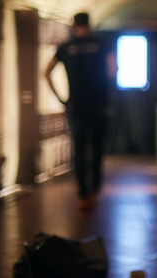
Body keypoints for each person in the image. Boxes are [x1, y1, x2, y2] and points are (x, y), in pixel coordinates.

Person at [44, 12, 116, 210]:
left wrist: (61, 99)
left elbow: (46, 72)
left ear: (73, 25)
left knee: (79, 148)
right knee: (97, 147)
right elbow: (113, 69)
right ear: (89, 25)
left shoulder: (66, 47)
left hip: (76, 106)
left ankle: (83, 193)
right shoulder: (102, 43)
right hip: (99, 105)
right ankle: (95, 187)